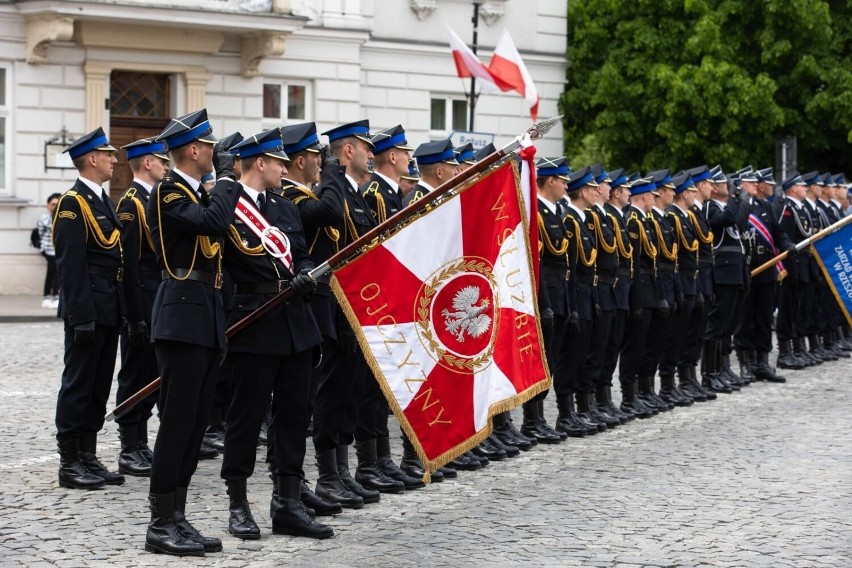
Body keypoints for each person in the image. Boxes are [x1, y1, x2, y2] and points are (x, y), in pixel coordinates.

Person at [218, 129, 332, 540]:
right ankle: (238, 503)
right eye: (279, 161)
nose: (286, 168)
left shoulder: (284, 208)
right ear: (260, 163)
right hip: (253, 321)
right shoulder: (226, 206)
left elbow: (299, 252)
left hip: (294, 324)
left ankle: (287, 502)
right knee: (245, 418)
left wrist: (304, 271)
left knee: (293, 416)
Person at [144, 108, 241, 557]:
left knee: (195, 423)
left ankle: (177, 515)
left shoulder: (194, 192)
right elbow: (214, 223)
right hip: (182, 313)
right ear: (195, 149)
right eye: (211, 146)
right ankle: (160, 521)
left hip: (204, 313)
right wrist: (226, 180)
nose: (216, 153)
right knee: (178, 423)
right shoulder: (168, 191)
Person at [53, 127, 125, 490]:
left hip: (108, 307)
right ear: (92, 158)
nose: (115, 159)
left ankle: (88, 454)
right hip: (88, 309)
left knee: (98, 385)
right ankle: (69, 461)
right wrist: (80, 315)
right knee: (78, 384)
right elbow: (71, 265)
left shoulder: (102, 199)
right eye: (109, 154)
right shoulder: (72, 203)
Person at [113, 137, 170, 477]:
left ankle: (141, 443)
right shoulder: (132, 203)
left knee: (154, 373)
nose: (167, 164)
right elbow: (129, 267)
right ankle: (129, 445)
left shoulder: (154, 199)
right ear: (146, 163)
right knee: (136, 374)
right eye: (161, 160)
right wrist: (134, 317)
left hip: (157, 294)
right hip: (142, 298)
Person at [402, 139, 458, 206]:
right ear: (439, 172)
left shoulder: (441, 197)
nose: (456, 172)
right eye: (453, 168)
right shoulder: (414, 204)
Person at [38, 193, 61, 308]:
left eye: (57, 204)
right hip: (48, 249)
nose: (54, 206)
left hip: (58, 249)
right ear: (48, 205)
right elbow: (41, 232)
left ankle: (53, 296)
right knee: (53, 272)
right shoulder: (44, 217)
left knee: (54, 273)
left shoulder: (61, 216)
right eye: (53, 204)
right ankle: (50, 296)